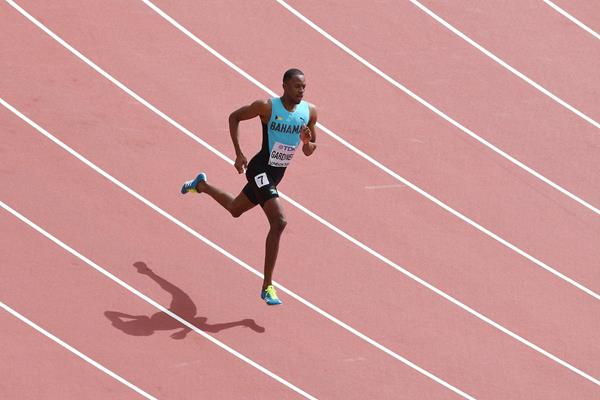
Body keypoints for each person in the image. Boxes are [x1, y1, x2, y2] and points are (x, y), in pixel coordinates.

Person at [181, 68, 317, 305]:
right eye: (297, 86)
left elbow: (308, 150)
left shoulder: (309, 113)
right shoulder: (267, 107)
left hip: (275, 176)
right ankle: (267, 286)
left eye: (304, 86)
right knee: (279, 221)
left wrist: (307, 142)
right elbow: (234, 117)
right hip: (259, 169)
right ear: (284, 86)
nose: (301, 91)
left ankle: (200, 185)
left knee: (235, 209)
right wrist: (238, 154)